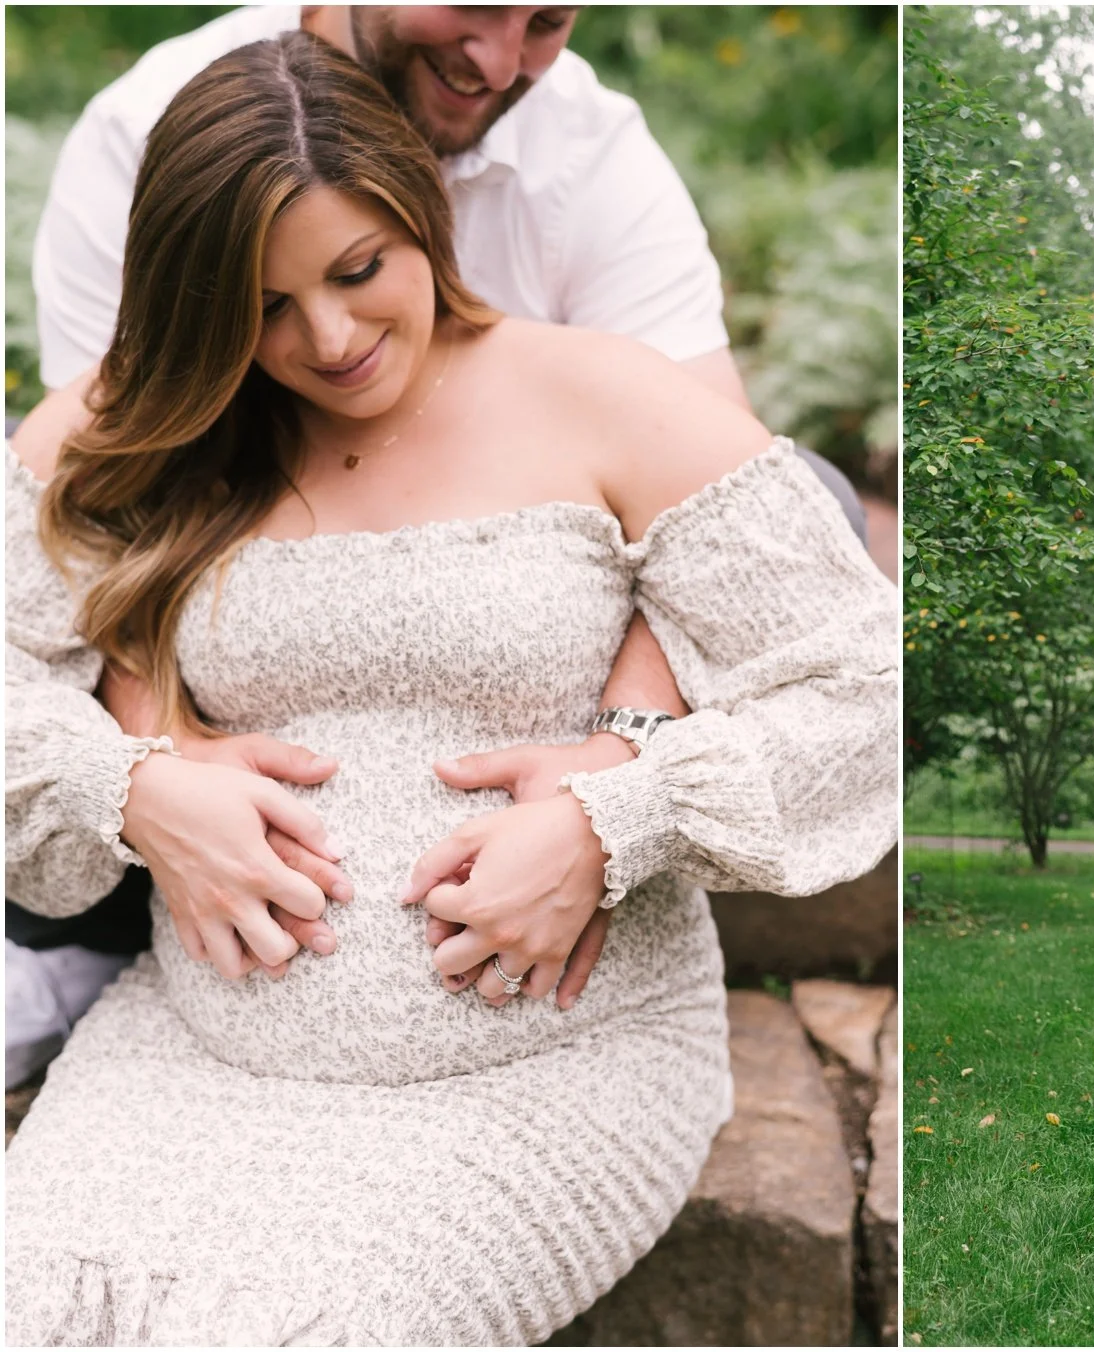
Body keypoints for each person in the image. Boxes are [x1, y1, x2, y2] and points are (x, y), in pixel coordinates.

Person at [5, 33, 896, 1345]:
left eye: (361, 270)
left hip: (541, 1073)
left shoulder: (599, 397)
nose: (331, 337)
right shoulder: (145, 426)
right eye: (262, 306)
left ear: (423, 217)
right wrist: (129, 789)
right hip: (196, 1061)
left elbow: (859, 680)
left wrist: (619, 815)